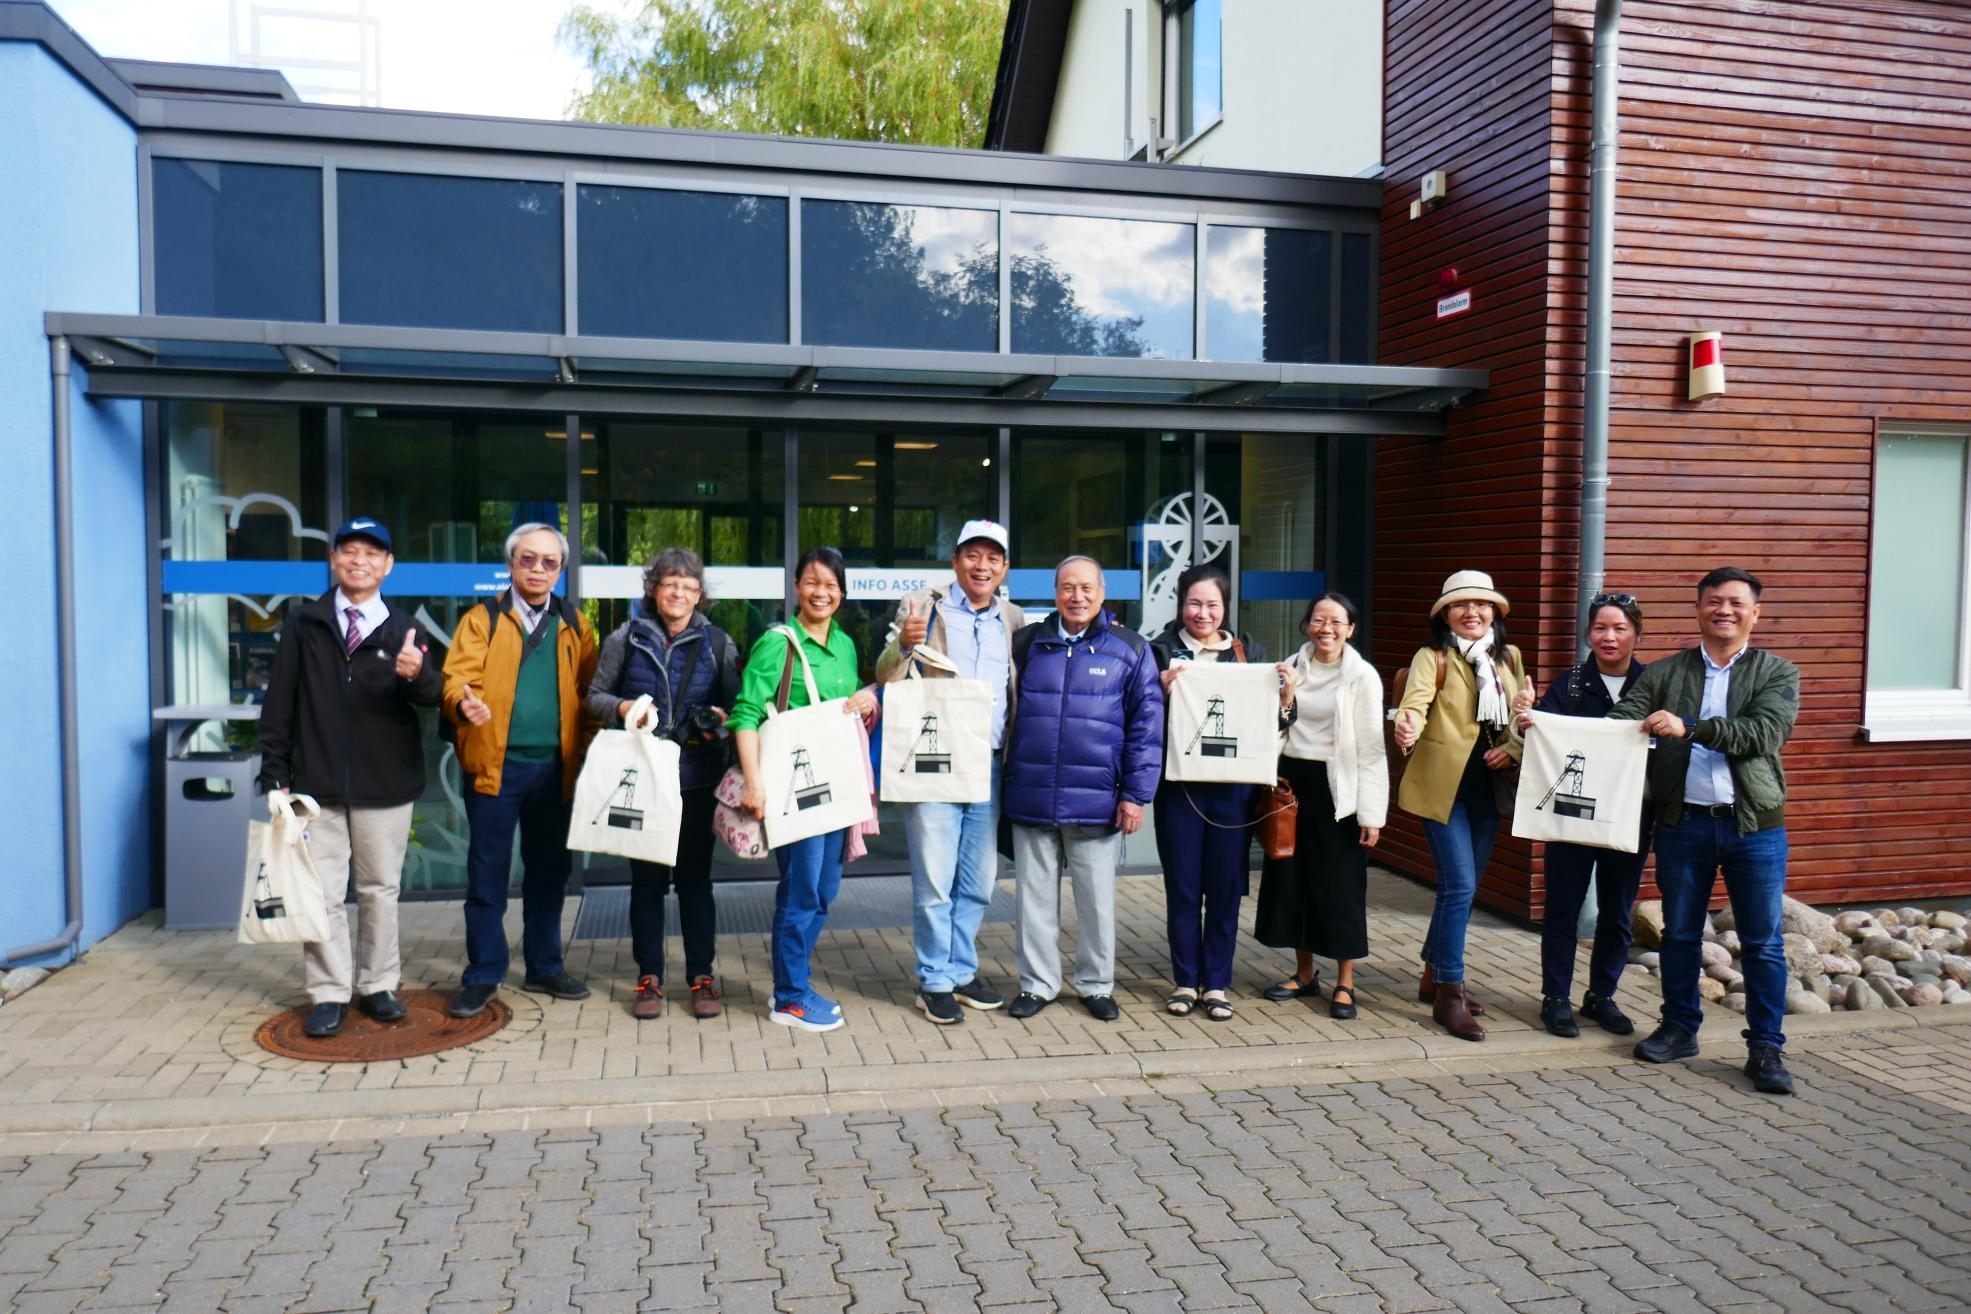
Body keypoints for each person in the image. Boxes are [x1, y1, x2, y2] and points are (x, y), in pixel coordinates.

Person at [1608, 566, 1801, 1096]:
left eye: (1737, 603)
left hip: (1754, 828)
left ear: (1754, 613)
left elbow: (1765, 732)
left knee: (1762, 942)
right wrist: (1549, 724)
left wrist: (1689, 728)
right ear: (1698, 609)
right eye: (1715, 601)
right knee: (1680, 934)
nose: (1725, 610)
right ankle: (1679, 1027)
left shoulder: (1777, 671)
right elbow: (1623, 721)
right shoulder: (1666, 672)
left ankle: (1765, 1047)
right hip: (1683, 823)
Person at [256, 517, 443, 1038]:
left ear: (388, 565)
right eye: (349, 551)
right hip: (315, 788)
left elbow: (431, 697)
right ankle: (330, 992)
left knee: (381, 890)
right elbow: (280, 703)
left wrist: (418, 674)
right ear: (335, 560)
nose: (359, 560)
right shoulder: (304, 623)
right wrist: (275, 774)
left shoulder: (406, 627)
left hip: (386, 787)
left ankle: (378, 985)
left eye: (372, 553)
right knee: (321, 895)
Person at [443, 524, 601, 1019]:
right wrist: (461, 705)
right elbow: (455, 681)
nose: (538, 569)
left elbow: (590, 694)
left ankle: (544, 965)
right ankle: (484, 974)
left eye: (549, 562)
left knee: (549, 874)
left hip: (556, 771)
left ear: (561, 569)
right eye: (528, 559)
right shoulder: (482, 619)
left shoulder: (577, 622)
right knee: (487, 876)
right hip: (494, 769)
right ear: (510, 564)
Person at [874, 519, 1023, 1025]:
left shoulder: (1013, 617)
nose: (983, 566)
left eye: (993, 558)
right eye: (973, 556)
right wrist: (904, 645)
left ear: (1004, 567)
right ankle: (933, 978)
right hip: (936, 764)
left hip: (991, 764)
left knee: (979, 880)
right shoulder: (923, 606)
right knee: (935, 880)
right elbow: (885, 673)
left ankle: (961, 971)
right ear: (956, 561)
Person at [1002, 556, 1163, 1022]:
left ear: (1102, 591)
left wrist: (1135, 795)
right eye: (1068, 587)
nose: (1077, 597)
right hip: (1032, 791)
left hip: (1097, 799)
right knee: (1033, 898)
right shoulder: (1027, 644)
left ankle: (1095, 984)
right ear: (1055, 592)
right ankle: (1037, 984)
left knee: (1095, 901)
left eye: (1086, 588)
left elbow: (1146, 729)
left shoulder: (1130, 649)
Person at [584, 547, 740, 1021]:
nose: (679, 593)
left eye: (689, 587)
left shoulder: (718, 643)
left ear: (699, 595)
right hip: (644, 778)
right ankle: (648, 977)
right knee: (646, 884)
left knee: (695, 883)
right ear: (654, 589)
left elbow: (739, 711)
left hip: (696, 779)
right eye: (670, 583)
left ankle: (701, 977)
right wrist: (623, 709)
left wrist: (720, 721)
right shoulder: (624, 639)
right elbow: (593, 697)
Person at [730, 546, 879, 1034]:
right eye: (812, 582)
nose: (822, 592)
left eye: (831, 585)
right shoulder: (779, 643)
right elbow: (747, 712)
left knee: (823, 891)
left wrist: (864, 699)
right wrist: (754, 783)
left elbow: (849, 703)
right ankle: (789, 998)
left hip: (837, 788)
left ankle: (796, 982)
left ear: (842, 592)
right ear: (797, 587)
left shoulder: (846, 644)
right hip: (795, 792)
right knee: (800, 892)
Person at [1147, 564, 1298, 1022]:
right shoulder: (1158, 651)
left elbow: (1273, 725)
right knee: (1183, 887)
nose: (1203, 613)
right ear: (1180, 605)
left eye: (1212, 604)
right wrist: (1159, 693)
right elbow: (1137, 718)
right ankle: (1184, 980)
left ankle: (1216, 983)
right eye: (1194, 603)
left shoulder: (1247, 653)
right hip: (1178, 789)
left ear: (1225, 607)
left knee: (1227, 889)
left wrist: (1286, 699)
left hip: (1234, 792)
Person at [1391, 569, 1531, 1042]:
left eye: (1482, 604)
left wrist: (1511, 749)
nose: (1472, 612)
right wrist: (1406, 725)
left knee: (1463, 891)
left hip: (1488, 789)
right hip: (1443, 788)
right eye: (1460, 605)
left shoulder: (1509, 657)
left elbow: (1519, 718)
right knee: (1459, 886)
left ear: (1494, 612)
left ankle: (1432, 976)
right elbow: (1415, 703)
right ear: (1445, 614)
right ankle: (1451, 991)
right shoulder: (1433, 657)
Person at [1518, 593, 1651, 1039]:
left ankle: (1602, 996)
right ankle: (1555, 997)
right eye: (1600, 628)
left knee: (1617, 910)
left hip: (1629, 812)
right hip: (1572, 815)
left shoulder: (1654, 684)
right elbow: (1545, 735)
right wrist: (1530, 723)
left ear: (1636, 633)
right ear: (1588, 633)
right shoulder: (1571, 683)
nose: (1609, 637)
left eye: (1619, 628)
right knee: (1563, 907)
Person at [1254, 592, 1386, 1021]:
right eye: (1317, 620)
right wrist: (1286, 696)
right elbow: (1271, 729)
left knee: (1341, 888)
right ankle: (1305, 973)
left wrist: (1371, 814)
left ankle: (1345, 982)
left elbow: (1370, 749)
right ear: (1307, 624)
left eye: (1336, 621)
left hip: (1339, 792)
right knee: (1294, 881)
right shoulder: (1290, 667)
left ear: (1351, 629)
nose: (1325, 628)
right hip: (1293, 785)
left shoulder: (1361, 677)